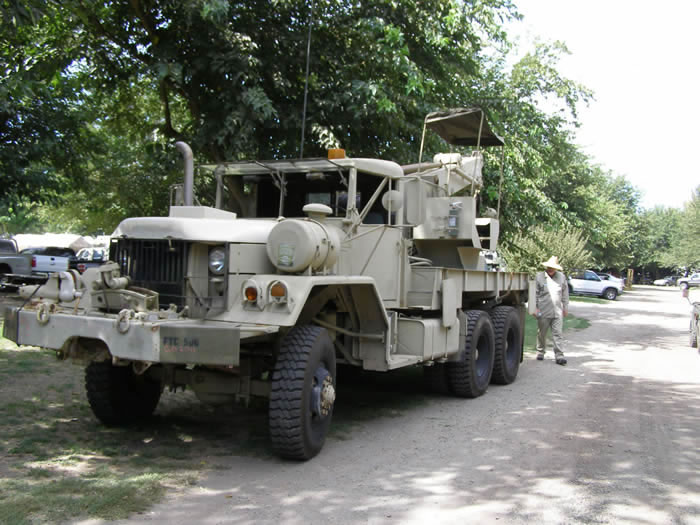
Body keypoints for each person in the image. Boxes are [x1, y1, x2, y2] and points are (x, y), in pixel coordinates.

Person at [534, 256, 569, 365]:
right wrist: (534, 308)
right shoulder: (539, 277)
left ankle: (559, 355)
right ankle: (540, 351)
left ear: (556, 268)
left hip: (557, 311)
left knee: (558, 333)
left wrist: (565, 307)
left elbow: (565, 293)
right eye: (549, 267)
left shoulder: (562, 277)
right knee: (542, 333)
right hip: (543, 310)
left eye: (552, 268)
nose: (550, 269)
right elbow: (534, 294)